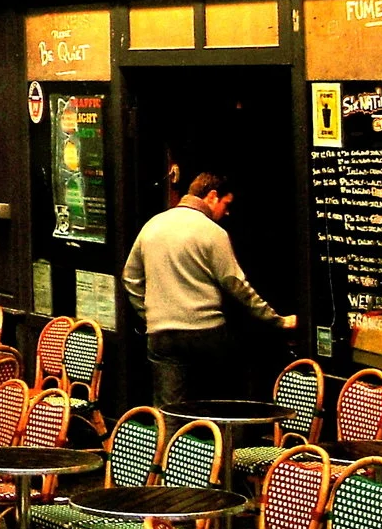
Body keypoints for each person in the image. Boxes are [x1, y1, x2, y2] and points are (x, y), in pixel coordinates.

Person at [119, 170, 296, 408]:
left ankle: (172, 434)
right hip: (205, 332)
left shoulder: (152, 226)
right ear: (212, 196)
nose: (227, 212)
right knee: (216, 403)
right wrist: (277, 320)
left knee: (170, 409)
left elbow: (130, 277)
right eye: (226, 204)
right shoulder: (213, 232)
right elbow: (236, 285)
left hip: (161, 334)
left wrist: (149, 313)